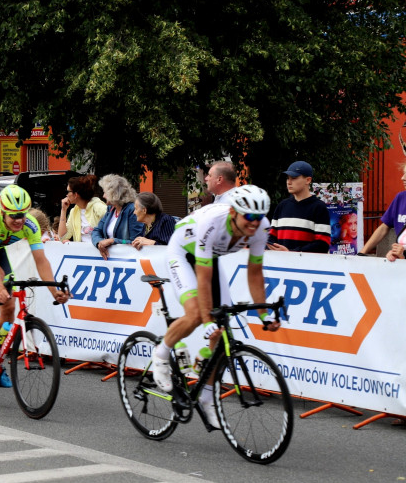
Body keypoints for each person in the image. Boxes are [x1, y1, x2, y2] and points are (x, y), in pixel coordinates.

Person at [152, 185, 280, 429]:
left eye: (259, 217)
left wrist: (264, 314)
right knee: (198, 315)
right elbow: (203, 277)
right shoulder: (212, 222)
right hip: (182, 252)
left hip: (210, 259)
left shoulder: (261, 228)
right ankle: (161, 353)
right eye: (249, 216)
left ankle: (207, 396)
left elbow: (255, 273)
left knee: (222, 332)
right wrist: (207, 320)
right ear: (233, 212)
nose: (255, 223)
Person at [0, 185, 70, 387]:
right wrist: (0, 289)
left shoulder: (31, 225)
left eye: (22, 215)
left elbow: (41, 261)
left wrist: (54, 291)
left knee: (9, 306)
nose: (18, 220)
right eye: (13, 216)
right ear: (3, 212)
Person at [268, 161, 331, 253]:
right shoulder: (282, 206)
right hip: (280, 264)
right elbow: (272, 237)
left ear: (308, 180)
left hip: (306, 266)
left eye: (294, 178)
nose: (289, 182)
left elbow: (323, 244)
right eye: (288, 178)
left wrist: (291, 253)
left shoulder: (319, 207)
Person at [91, 174, 142, 259]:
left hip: (129, 260)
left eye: (105, 192)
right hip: (113, 260)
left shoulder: (132, 210)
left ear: (114, 193)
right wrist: (99, 243)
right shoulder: (111, 209)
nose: (103, 196)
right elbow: (96, 230)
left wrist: (113, 241)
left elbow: (136, 241)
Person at [361, 163, 406, 255]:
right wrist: (362, 252)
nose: (402, 178)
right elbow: (384, 227)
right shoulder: (400, 198)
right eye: (403, 173)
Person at [58, 174, 106, 243]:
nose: (66, 195)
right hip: (82, 253)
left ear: (76, 195)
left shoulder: (98, 207)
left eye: (68, 191)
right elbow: (62, 237)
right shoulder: (74, 211)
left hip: (100, 252)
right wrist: (63, 210)